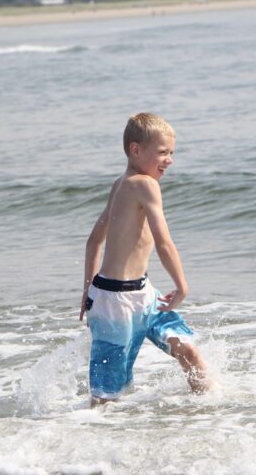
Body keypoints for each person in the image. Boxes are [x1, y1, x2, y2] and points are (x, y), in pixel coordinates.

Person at [79, 112, 211, 407]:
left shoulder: (120, 184)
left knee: (187, 350)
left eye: (172, 153)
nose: (169, 160)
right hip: (115, 303)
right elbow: (163, 242)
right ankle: (83, 434)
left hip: (141, 294)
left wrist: (87, 292)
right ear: (136, 150)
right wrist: (182, 286)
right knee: (106, 396)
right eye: (162, 152)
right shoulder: (145, 185)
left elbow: (93, 241)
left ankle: (209, 415)